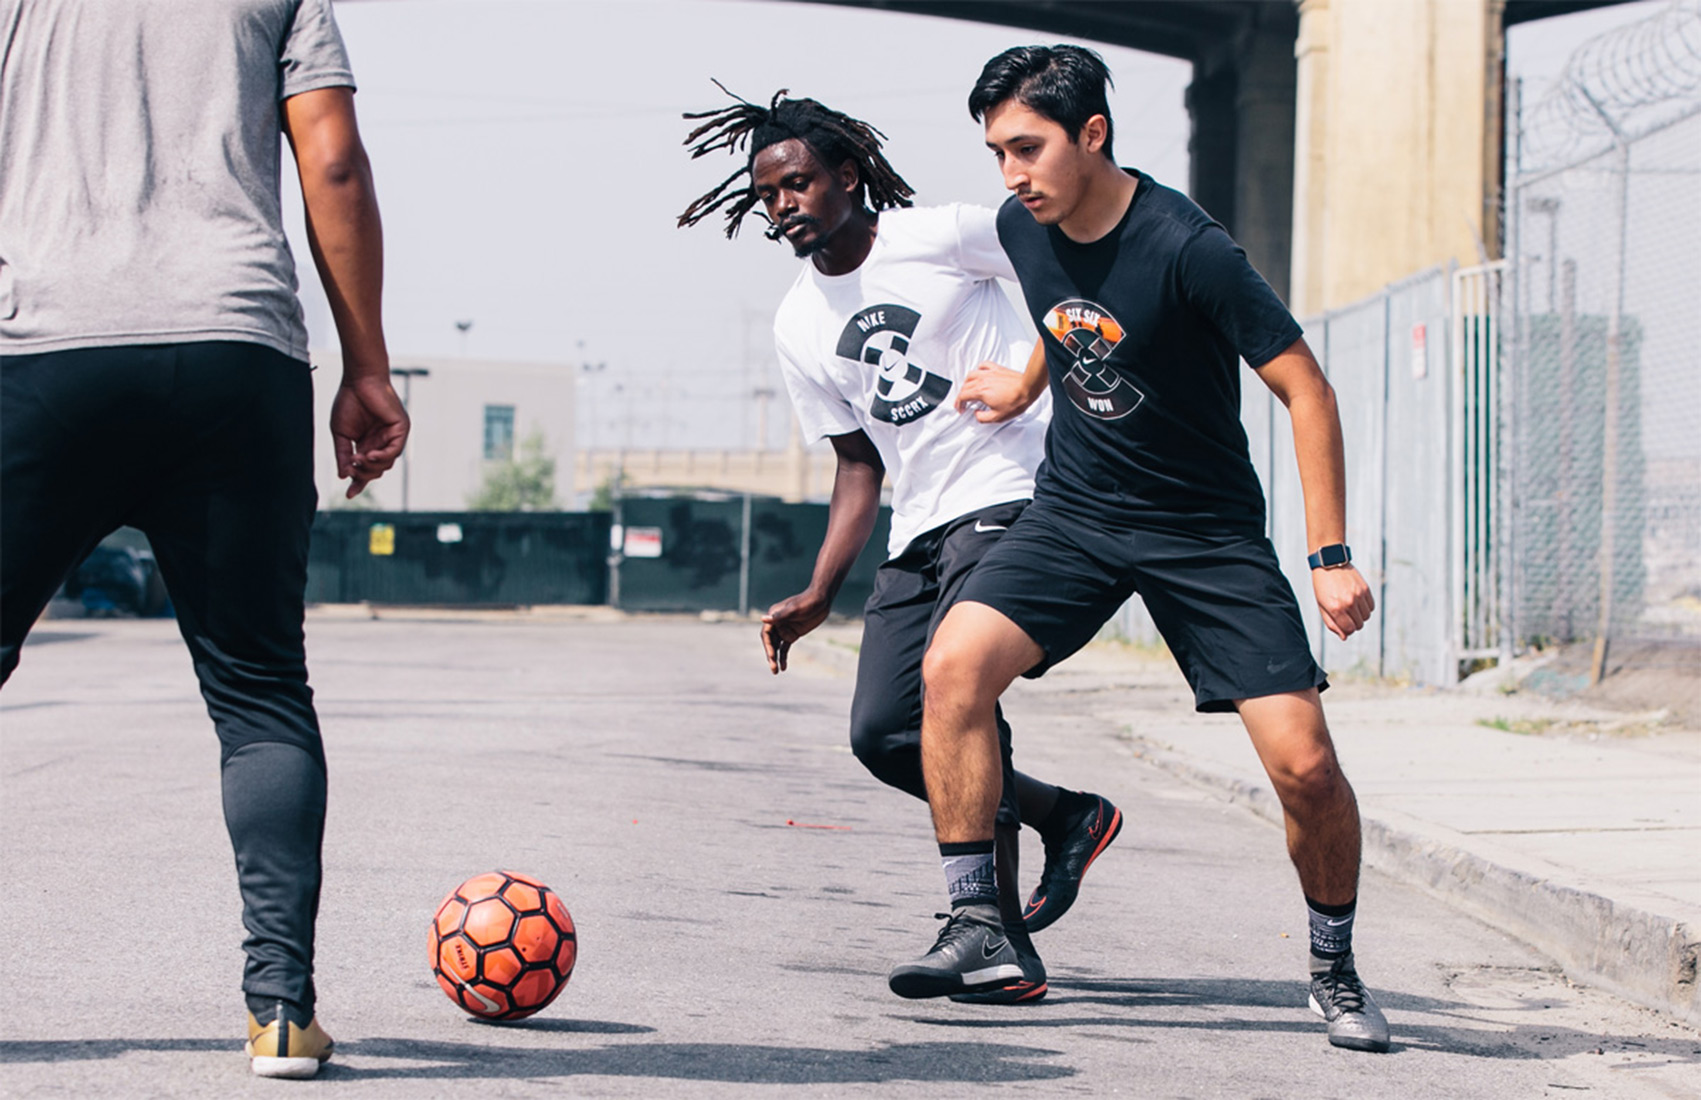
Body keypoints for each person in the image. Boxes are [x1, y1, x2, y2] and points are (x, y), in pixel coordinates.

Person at [889, 45, 1390, 1053]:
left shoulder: (1189, 247)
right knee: (951, 668)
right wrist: (1029, 385)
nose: (1010, 173)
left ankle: (1334, 966)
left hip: (1204, 534)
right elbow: (1063, 314)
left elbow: (1307, 388)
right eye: (995, 152)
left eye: (1026, 148)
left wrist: (1328, 551)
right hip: (1076, 511)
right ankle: (981, 923)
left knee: (1304, 766)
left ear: (1093, 135)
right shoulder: (1019, 226)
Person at [0, 0, 407, 1078]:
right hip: (233, 345)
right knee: (259, 690)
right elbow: (333, 162)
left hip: (43, 349)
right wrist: (366, 363)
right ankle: (280, 1009)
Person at [677, 87, 1123, 1004]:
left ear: (846, 175)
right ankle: (1063, 815)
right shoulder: (798, 323)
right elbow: (855, 466)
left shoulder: (943, 236)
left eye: (797, 183)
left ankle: (989, 936)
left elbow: (1072, 260)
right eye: (767, 195)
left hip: (1012, 493)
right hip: (917, 523)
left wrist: (1034, 378)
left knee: (961, 693)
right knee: (882, 732)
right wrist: (817, 590)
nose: (782, 205)